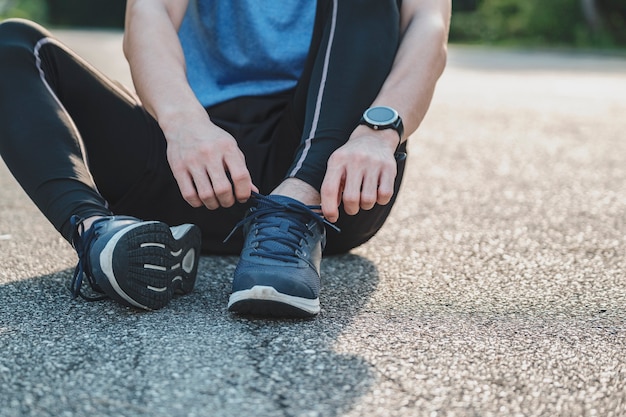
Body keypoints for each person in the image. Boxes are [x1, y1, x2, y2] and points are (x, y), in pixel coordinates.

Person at [0, 0, 451, 317]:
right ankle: (99, 235)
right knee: (15, 44)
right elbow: (149, 10)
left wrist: (378, 132)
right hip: (200, 164)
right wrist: (183, 125)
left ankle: (294, 210)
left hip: (333, 181)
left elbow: (428, 25)